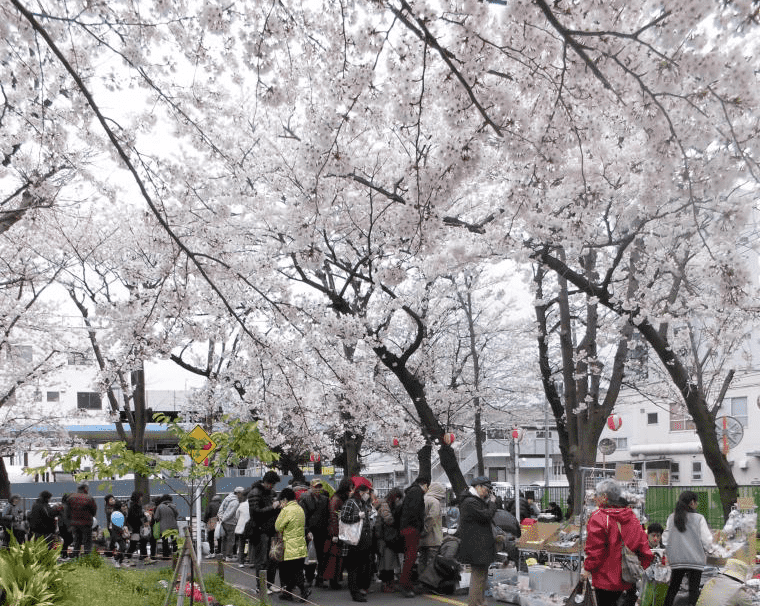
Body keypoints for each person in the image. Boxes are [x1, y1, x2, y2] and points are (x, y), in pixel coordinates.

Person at [581, 479, 653, 606]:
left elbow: (595, 551)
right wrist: (642, 567)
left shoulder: (599, 517)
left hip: (605, 582)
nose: (595, 498)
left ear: (604, 497)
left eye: (596, 495)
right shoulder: (632, 517)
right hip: (629, 580)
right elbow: (643, 546)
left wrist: (586, 568)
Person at [662, 490, 715, 606]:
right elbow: (706, 540)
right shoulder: (699, 518)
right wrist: (711, 550)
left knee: (673, 588)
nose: (697, 504)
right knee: (694, 590)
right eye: (696, 502)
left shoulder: (672, 518)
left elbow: (665, 539)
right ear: (692, 502)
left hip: (676, 560)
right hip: (695, 560)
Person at [456, 476, 498, 606]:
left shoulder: (474, 500)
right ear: (478, 487)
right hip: (477, 545)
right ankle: (475, 603)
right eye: (486, 489)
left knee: (481, 575)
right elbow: (486, 515)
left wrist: (491, 502)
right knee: (478, 576)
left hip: (478, 544)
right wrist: (491, 503)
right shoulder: (470, 502)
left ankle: (479, 601)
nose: (487, 492)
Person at [275, 487, 311, 602]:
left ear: (285, 499)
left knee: (292, 572)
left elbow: (278, 526)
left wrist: (281, 510)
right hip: (300, 543)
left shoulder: (286, 510)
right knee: (297, 569)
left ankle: (304, 588)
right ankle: (287, 593)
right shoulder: (299, 508)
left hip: (289, 545)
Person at [249, 470, 282, 594]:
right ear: (267, 482)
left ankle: (270, 584)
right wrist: (272, 507)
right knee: (261, 560)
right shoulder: (255, 492)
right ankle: (260, 586)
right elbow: (255, 512)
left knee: (273, 558)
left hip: (271, 528)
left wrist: (278, 507)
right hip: (259, 529)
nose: (273, 487)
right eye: (272, 484)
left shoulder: (271, 492)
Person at [340, 483, 375, 603]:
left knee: (362, 566)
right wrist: (357, 517)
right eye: (366, 492)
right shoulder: (350, 502)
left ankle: (360, 589)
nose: (368, 495)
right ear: (361, 492)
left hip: (363, 539)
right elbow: (343, 517)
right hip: (353, 540)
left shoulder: (363, 503)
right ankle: (355, 592)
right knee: (353, 567)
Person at [398, 475, 430, 598]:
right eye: (428, 485)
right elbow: (416, 512)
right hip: (412, 529)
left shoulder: (410, 492)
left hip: (407, 528)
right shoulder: (417, 492)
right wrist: (419, 527)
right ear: (424, 483)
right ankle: (405, 585)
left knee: (409, 557)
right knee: (410, 558)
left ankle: (408, 584)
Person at [323, 477, 353, 590]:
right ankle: (334, 581)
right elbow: (333, 517)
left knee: (337, 558)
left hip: (340, 531)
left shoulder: (338, 498)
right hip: (336, 532)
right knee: (335, 558)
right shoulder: (337, 499)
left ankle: (335, 579)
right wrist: (335, 534)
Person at [299, 478, 329, 588]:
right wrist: (306, 530)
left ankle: (320, 578)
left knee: (322, 556)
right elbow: (303, 517)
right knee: (310, 556)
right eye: (316, 487)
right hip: (310, 531)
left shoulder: (325, 499)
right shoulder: (305, 499)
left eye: (319, 487)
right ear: (311, 487)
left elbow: (327, 515)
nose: (318, 489)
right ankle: (309, 578)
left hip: (322, 530)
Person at [376, 487, 404, 593]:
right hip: (384, 538)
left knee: (389, 562)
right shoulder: (385, 505)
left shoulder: (388, 504)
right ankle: (386, 584)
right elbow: (388, 520)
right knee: (386, 562)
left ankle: (389, 583)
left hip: (387, 537)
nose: (398, 500)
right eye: (397, 498)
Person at [419, 482, 446, 576]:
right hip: (433, 538)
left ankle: (421, 582)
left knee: (422, 561)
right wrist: (425, 531)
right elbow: (432, 518)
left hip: (422, 540)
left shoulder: (423, 499)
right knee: (431, 563)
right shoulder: (434, 502)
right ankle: (428, 584)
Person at [67, 482, 97, 557]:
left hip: (74, 523)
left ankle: (75, 554)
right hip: (86, 522)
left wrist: (70, 519)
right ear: (85, 489)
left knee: (77, 539)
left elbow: (67, 511)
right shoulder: (89, 498)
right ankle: (87, 556)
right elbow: (93, 510)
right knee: (87, 540)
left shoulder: (71, 497)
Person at [218, 486, 244, 561]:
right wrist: (224, 519)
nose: (242, 495)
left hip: (223, 522)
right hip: (230, 523)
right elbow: (230, 513)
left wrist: (221, 518)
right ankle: (229, 556)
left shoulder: (227, 498)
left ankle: (223, 555)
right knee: (230, 539)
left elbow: (221, 509)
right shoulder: (235, 502)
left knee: (224, 539)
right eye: (241, 494)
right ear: (238, 493)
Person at [125, 492, 150, 563]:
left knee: (141, 542)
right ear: (138, 498)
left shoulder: (134, 506)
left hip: (136, 528)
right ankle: (127, 557)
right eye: (141, 497)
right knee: (134, 544)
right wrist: (143, 517)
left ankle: (144, 557)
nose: (142, 498)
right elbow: (135, 517)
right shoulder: (135, 507)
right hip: (135, 528)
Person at [153, 494, 179, 559]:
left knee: (165, 541)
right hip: (174, 525)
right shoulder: (174, 506)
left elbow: (156, 517)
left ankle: (166, 555)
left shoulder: (160, 506)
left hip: (164, 527)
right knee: (174, 541)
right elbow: (177, 515)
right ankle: (176, 554)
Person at [234, 488, 252, 567]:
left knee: (241, 545)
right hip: (251, 527)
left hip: (241, 527)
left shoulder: (242, 505)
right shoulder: (253, 505)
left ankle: (241, 562)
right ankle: (251, 560)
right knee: (251, 544)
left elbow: (236, 516)